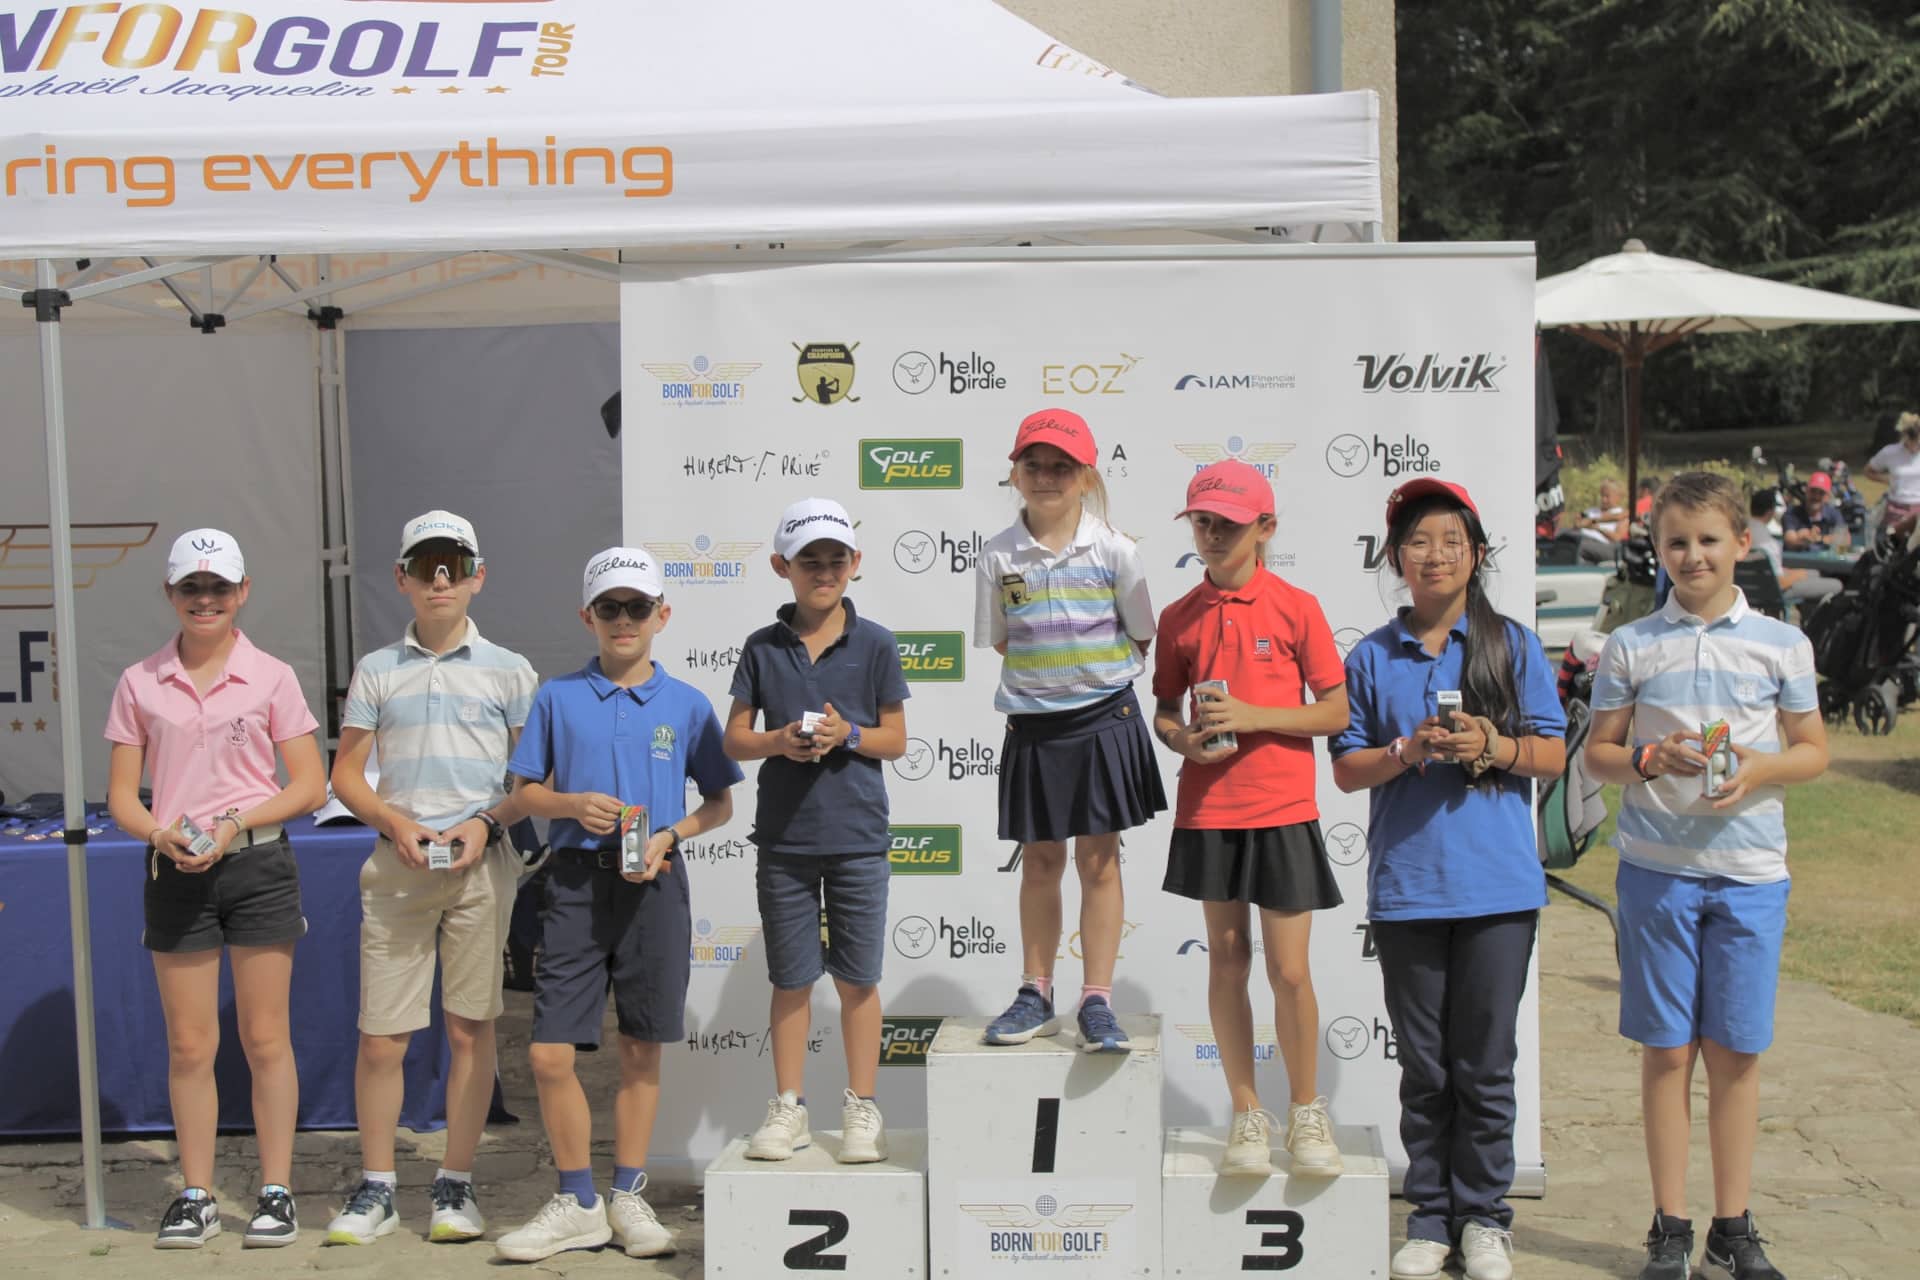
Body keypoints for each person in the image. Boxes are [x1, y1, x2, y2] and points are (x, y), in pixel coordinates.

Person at [1584, 471, 1829, 1280]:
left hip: (1751, 875)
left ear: (1742, 544)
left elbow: (1812, 751)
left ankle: (1733, 1225)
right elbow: (1599, 756)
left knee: (1735, 1053)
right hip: (1656, 873)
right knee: (1666, 1052)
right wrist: (1649, 759)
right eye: (1677, 542)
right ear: (1657, 549)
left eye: (1709, 540)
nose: (1693, 555)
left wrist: (1761, 768)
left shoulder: (1782, 643)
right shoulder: (1631, 644)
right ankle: (1670, 1226)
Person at [1329, 481, 1567, 1280]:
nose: (1435, 556)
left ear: (1478, 554)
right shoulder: (1371, 656)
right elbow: (1347, 770)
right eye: (1418, 542)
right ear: (1396, 557)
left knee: (1485, 1066)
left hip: (1501, 892)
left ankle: (1486, 1219)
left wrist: (1493, 747)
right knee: (1426, 1069)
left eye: (1451, 542)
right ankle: (1430, 1216)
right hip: (1409, 892)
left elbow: (1552, 755)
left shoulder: (1513, 646)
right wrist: (1408, 750)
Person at [496, 547, 742, 1262]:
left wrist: (671, 834)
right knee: (549, 1053)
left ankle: (628, 1194)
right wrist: (572, 803)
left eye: (638, 607)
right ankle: (578, 1201)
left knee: (640, 1047)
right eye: (611, 607)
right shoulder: (557, 696)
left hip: (654, 885)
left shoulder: (687, 704)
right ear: (588, 617)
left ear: (663, 614)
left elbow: (720, 804)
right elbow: (525, 793)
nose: (624, 619)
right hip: (574, 884)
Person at [104, 529, 326, 1248]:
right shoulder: (140, 681)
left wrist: (235, 822)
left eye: (219, 587)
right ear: (170, 594)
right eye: (192, 587)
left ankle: (276, 1191)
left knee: (265, 1037)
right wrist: (157, 833)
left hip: (258, 867)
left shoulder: (272, 676)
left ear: (243, 591)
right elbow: (122, 797)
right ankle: (196, 1193)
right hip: (177, 869)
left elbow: (309, 784)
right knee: (190, 1044)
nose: (206, 600)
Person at [325, 510, 539, 1247]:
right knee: (382, 1038)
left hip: (483, 867)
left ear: (479, 576)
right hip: (399, 868)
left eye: (455, 565)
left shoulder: (511, 669)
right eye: (425, 566)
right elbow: (345, 774)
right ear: (402, 579)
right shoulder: (377, 669)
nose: (440, 579)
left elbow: (531, 781)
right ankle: (378, 1186)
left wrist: (487, 824)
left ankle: (456, 1181)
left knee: (470, 1030)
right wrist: (393, 823)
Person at [1150, 462, 1350, 1178]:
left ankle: (1306, 1109)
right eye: (1202, 522)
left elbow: (1336, 711)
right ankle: (1245, 1111)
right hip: (1210, 810)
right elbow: (1165, 712)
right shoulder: (1178, 616)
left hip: (1283, 807)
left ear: (1265, 528)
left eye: (1228, 524)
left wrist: (1254, 716)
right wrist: (1183, 741)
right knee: (1228, 960)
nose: (1212, 535)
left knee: (1289, 971)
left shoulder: (1297, 607)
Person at [724, 499, 910, 1163]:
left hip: (859, 839)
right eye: (810, 561)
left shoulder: (877, 642)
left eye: (836, 559)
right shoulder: (761, 647)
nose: (824, 572)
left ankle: (863, 1107)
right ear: (783, 567)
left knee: (858, 980)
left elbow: (896, 740)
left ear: (855, 563)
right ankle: (789, 1106)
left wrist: (848, 734)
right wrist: (779, 740)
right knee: (792, 979)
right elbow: (735, 739)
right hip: (784, 842)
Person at [974, 407, 1165, 1051]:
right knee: (1040, 860)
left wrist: (1084, 679)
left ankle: (1097, 1000)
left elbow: (1141, 632)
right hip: (1033, 725)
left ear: (1086, 476)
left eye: (1062, 466)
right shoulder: (997, 554)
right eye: (1034, 464)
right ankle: (1036, 993)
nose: (1046, 476)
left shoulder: (1115, 549)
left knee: (1099, 861)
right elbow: (1003, 640)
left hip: (1104, 719)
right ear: (1015, 474)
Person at [1747, 490, 1842, 613]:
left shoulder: (1741, 535)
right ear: (1770, 511)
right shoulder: (1768, 544)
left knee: (1813, 573)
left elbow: (1772, 570)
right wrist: (1800, 575)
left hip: (1749, 589)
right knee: (1837, 585)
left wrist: (1795, 572)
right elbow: (1780, 583)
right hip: (1774, 593)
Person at [1865, 410, 1920, 535]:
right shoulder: (1890, 452)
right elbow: (1868, 471)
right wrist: (1886, 479)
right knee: (1891, 538)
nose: (1915, 445)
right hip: (1897, 508)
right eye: (1912, 440)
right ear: (1904, 435)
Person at [1780, 470, 1850, 550]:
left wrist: (1819, 538)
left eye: (1821, 493)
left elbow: (1846, 540)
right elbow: (1789, 540)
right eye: (1813, 491)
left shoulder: (1834, 514)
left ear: (1827, 496)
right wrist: (1804, 540)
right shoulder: (1792, 513)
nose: (1816, 496)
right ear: (1806, 491)